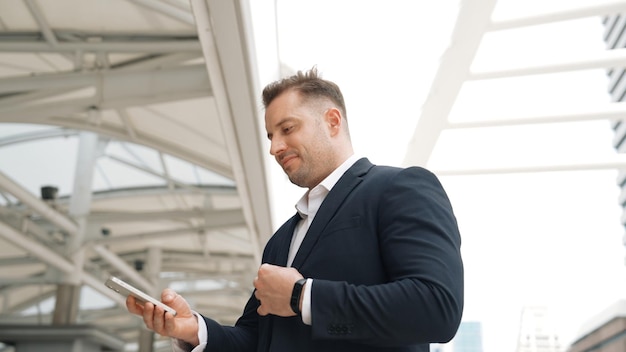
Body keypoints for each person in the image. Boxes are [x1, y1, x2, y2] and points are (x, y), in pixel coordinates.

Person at [126, 67, 464, 352]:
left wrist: (303, 296)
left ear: (332, 121)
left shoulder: (399, 188)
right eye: (270, 135)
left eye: (287, 129)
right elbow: (257, 340)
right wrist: (194, 331)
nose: (275, 147)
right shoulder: (282, 239)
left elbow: (436, 308)